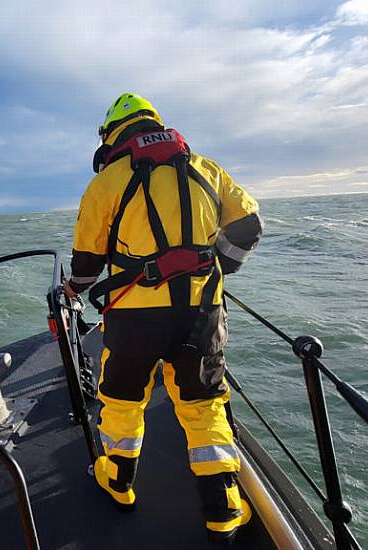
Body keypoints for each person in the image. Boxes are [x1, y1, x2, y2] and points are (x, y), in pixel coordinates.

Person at [64, 93, 263, 545]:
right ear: (155, 124)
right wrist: (219, 266)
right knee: (203, 404)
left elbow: (86, 264)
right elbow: (249, 226)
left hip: (135, 317)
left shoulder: (107, 182)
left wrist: (74, 288)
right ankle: (224, 508)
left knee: (122, 399)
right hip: (202, 312)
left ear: (113, 134)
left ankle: (116, 480)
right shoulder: (207, 169)